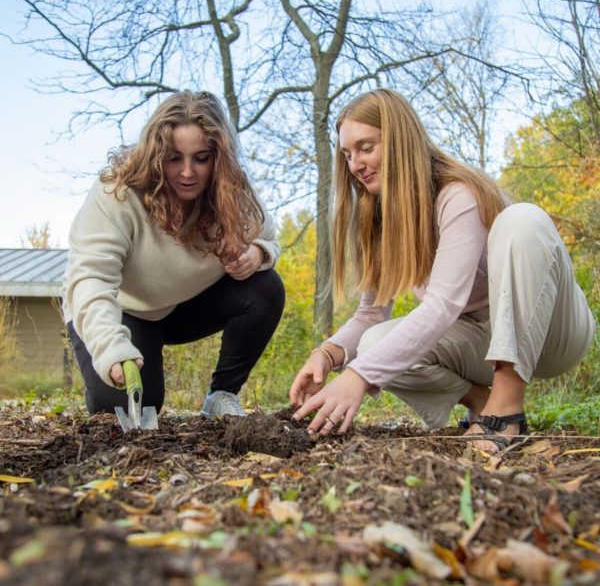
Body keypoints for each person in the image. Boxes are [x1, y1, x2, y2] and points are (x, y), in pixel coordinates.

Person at [290, 88, 596, 453]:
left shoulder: (456, 194)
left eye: (366, 147)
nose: (355, 164)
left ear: (400, 141)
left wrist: (359, 377)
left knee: (523, 219)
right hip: (482, 342)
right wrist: (327, 355)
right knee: (375, 345)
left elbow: (442, 305)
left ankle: (507, 405)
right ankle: (482, 403)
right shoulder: (379, 219)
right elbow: (372, 314)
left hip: (552, 332)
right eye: (347, 154)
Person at [64, 90, 285, 419]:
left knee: (265, 286)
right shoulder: (118, 192)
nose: (187, 172)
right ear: (155, 154)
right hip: (121, 311)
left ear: (218, 157)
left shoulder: (231, 194)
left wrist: (258, 253)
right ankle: (111, 370)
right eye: (174, 158)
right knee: (130, 408)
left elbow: (269, 238)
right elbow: (91, 278)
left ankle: (221, 396)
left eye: (201, 158)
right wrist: (111, 346)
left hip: (180, 310)